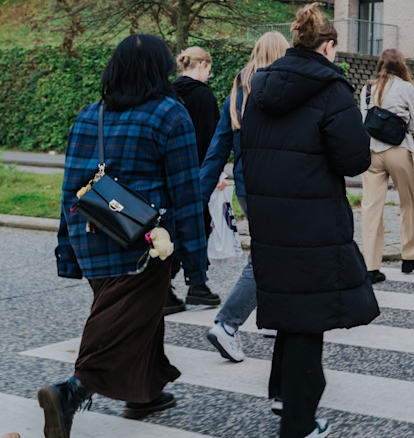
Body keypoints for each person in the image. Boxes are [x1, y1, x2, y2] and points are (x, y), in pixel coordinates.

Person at [39, 34, 209, 433]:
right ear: (160, 69)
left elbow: (70, 191)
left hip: (92, 234)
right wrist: (197, 268)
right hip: (144, 242)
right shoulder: (170, 113)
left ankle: (144, 393)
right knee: (119, 323)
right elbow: (186, 192)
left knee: (132, 315)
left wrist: (67, 250)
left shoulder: (89, 115)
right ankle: (71, 392)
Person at [241, 3, 379, 437]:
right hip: (313, 215)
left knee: (288, 304)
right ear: (328, 45)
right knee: (310, 316)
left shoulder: (259, 88)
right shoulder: (331, 89)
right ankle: (298, 424)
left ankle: (283, 393)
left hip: (269, 212)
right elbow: (354, 159)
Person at [199, 31, 289, 363]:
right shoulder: (281, 93)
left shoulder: (237, 93)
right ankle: (227, 323)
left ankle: (272, 317)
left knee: (276, 252)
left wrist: (198, 196)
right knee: (265, 258)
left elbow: (217, 149)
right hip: (276, 187)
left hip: (246, 188)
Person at [359, 48, 414, 283]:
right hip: (398, 149)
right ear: (401, 65)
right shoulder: (406, 88)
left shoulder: (367, 88)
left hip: (372, 151)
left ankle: (371, 266)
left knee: (371, 207)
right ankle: (409, 257)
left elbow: (363, 120)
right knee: (409, 202)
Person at [167, 46, 221, 313]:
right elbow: (213, 141)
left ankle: (168, 286)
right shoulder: (204, 96)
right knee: (198, 228)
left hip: (170, 173)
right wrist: (217, 174)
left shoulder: (168, 93)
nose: (209, 75)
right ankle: (197, 285)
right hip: (197, 173)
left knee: (172, 230)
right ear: (201, 65)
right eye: (209, 69)